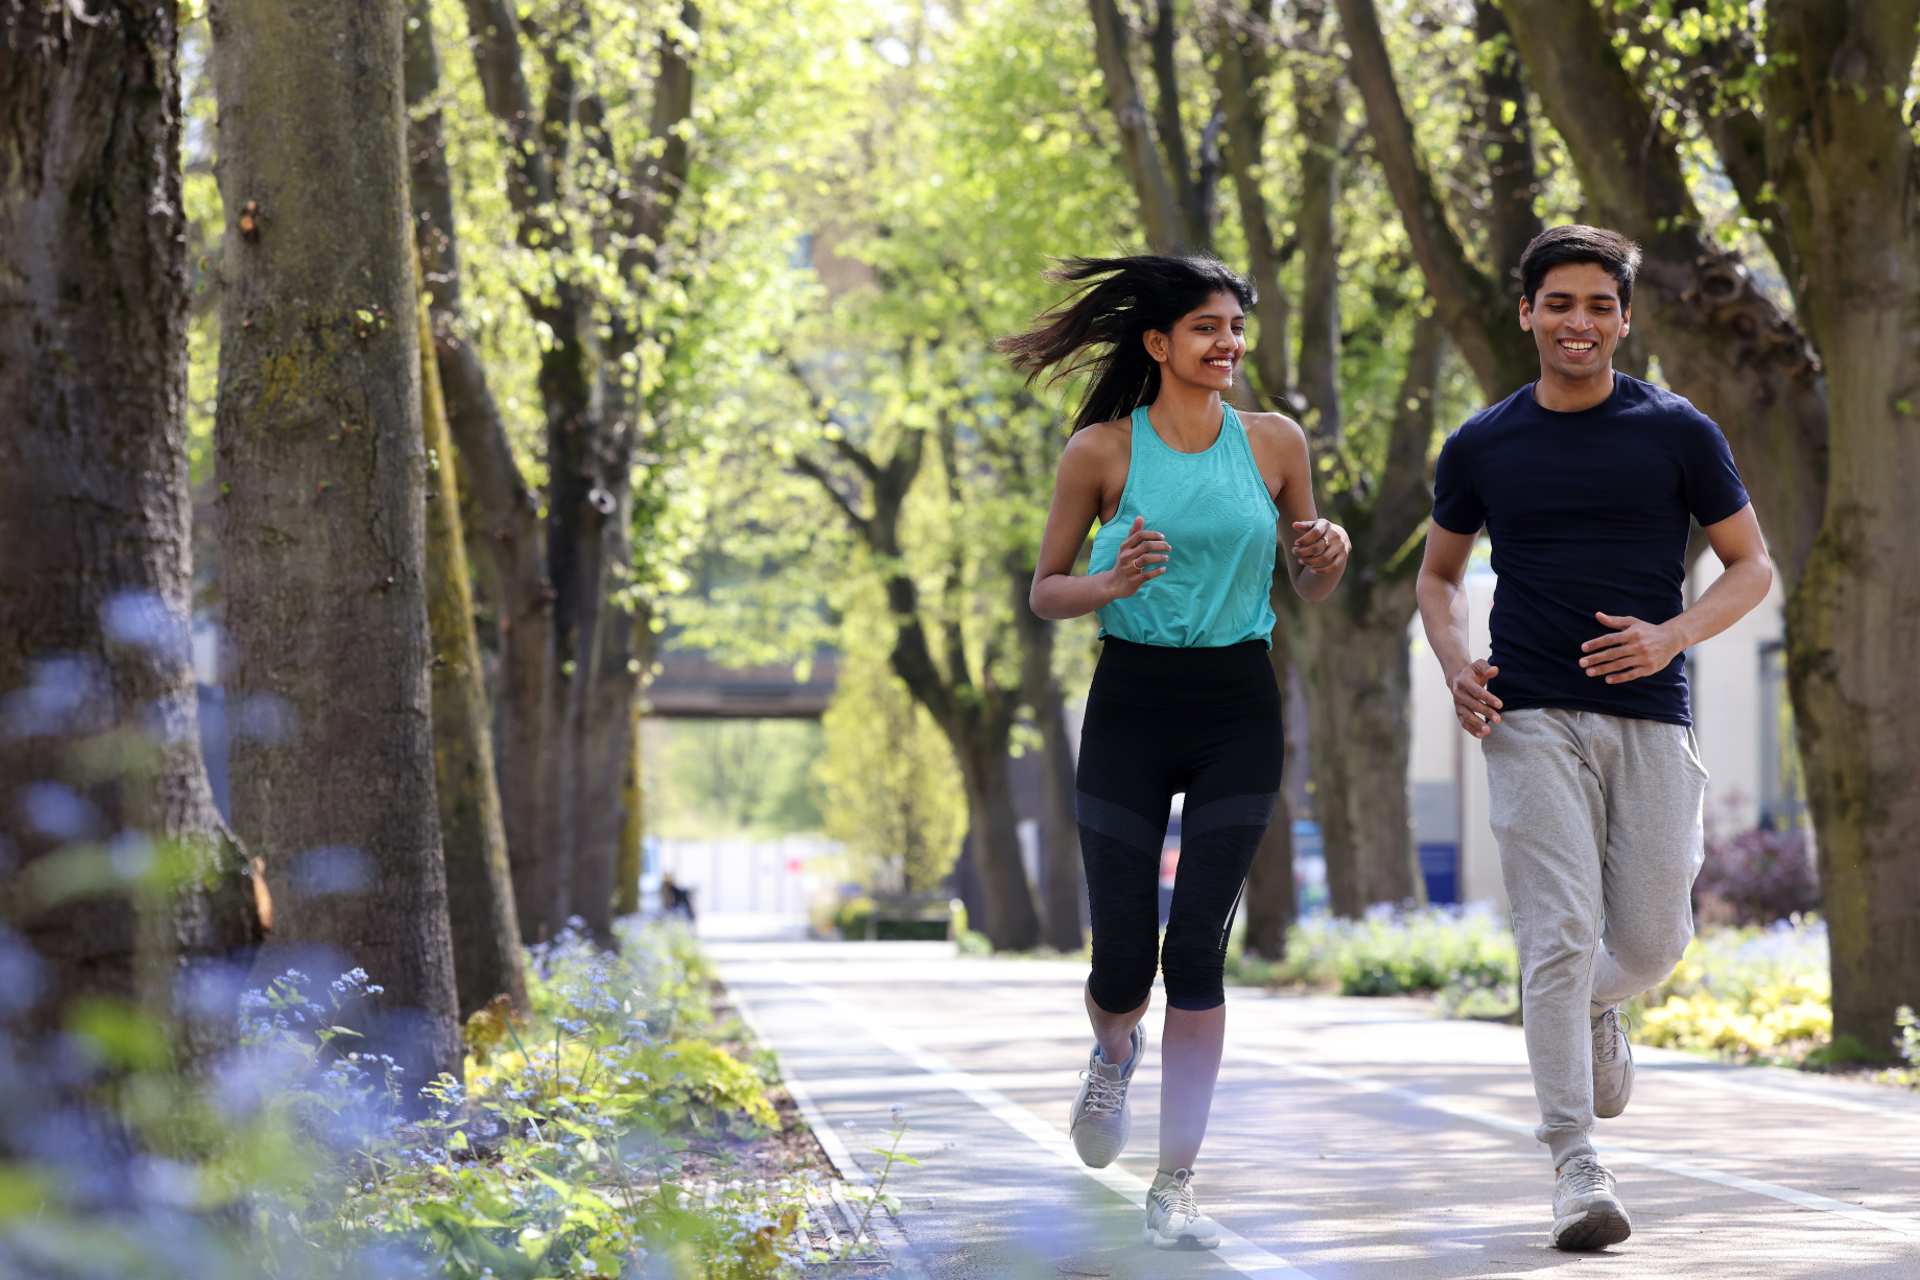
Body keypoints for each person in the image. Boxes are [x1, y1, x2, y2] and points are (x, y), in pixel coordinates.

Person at [1415, 225, 1773, 1251]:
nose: (1580, 322)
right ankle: (1576, 1164)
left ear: (1625, 317)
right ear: (1526, 312)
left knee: (1654, 940)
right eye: (1559, 303)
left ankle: (1593, 1007)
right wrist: (1455, 664)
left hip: (1652, 718)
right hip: (1526, 711)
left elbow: (1749, 565)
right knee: (1558, 934)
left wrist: (1673, 633)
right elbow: (1438, 576)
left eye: (1599, 305)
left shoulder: (1677, 431)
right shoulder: (1483, 442)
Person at [1003, 254, 1349, 1249]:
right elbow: (1046, 587)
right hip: (1132, 705)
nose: (1228, 343)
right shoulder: (1102, 452)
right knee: (1124, 956)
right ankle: (1113, 1051)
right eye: (1207, 327)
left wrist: (1325, 557)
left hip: (1239, 699)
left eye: (1235, 326)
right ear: (1158, 344)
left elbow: (1310, 576)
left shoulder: (1276, 442)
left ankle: (1179, 1176)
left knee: (1197, 940)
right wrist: (1109, 582)